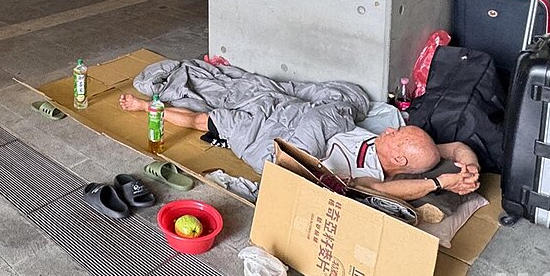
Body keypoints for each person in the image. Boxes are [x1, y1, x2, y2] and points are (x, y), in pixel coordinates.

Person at [117, 93, 480, 201]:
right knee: (253, 100)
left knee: (216, 120)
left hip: (286, 142)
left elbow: (390, 191)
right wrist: (468, 167)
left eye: (394, 137)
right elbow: (456, 147)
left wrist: (441, 184)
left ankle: (145, 108)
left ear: (398, 158)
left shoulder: (368, 177)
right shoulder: (414, 147)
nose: (386, 132)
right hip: (309, 117)